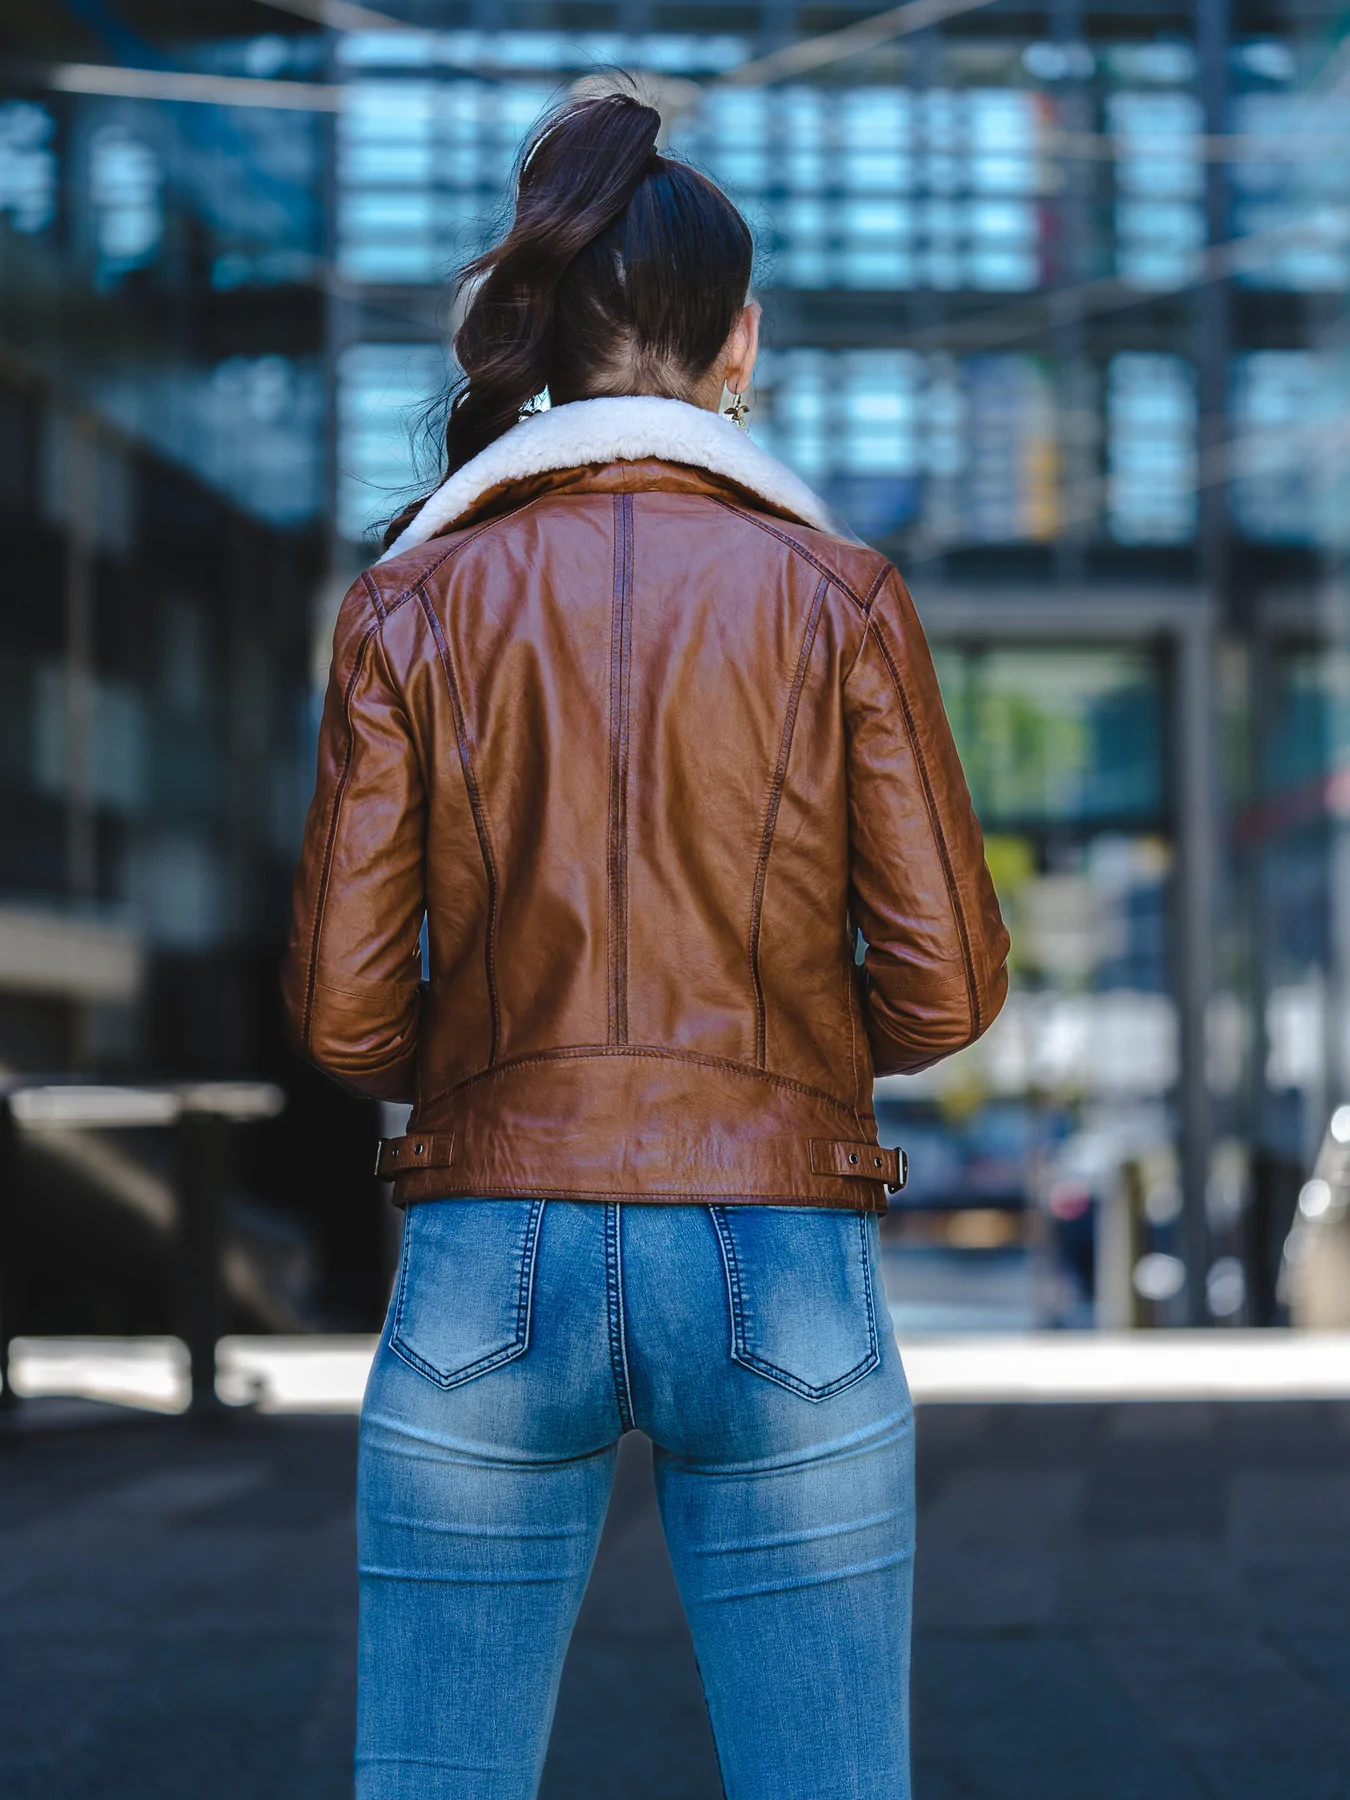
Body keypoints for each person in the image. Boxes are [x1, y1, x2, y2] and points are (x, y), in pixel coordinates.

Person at [284, 87, 1009, 1800]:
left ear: (540, 342)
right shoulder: (838, 596)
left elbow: (342, 1010)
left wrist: (498, 1056)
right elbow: (948, 988)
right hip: (780, 1257)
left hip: (483, 1256)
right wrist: (765, 1051)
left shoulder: (409, 598)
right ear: (737, 341)